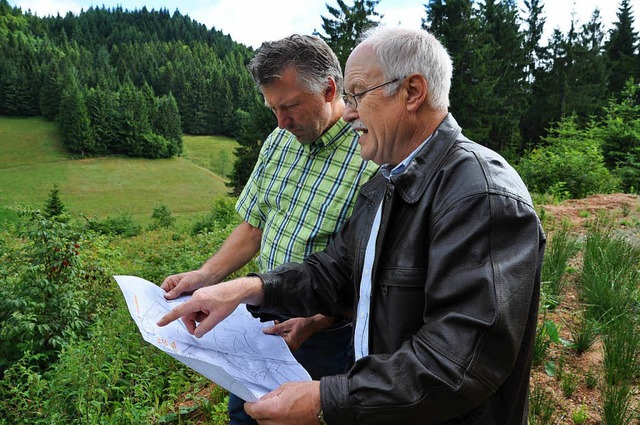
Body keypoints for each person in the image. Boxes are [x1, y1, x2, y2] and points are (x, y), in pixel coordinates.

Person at [159, 26, 545, 425]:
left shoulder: (481, 196)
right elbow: (334, 272)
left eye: (358, 93)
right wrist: (247, 288)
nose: (350, 111)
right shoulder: (388, 181)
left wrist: (326, 397)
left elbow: (458, 363)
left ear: (412, 92)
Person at [159, 34, 377, 425]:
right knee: (245, 414)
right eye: (273, 108)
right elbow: (253, 227)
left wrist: (319, 320)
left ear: (329, 89)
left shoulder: (371, 153)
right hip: (261, 317)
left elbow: (370, 268)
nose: (281, 121)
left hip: (324, 336)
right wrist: (206, 276)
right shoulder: (278, 141)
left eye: (290, 105)